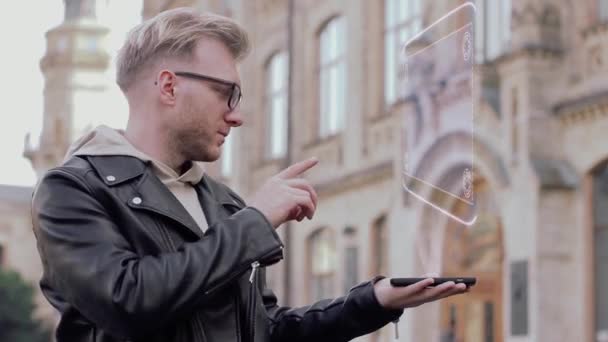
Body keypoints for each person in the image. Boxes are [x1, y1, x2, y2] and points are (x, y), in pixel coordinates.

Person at [31, 8, 468, 342]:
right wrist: (254, 223)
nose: (238, 115)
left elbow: (267, 330)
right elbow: (128, 301)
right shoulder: (72, 190)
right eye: (227, 93)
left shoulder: (222, 203)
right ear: (168, 86)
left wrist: (372, 302)